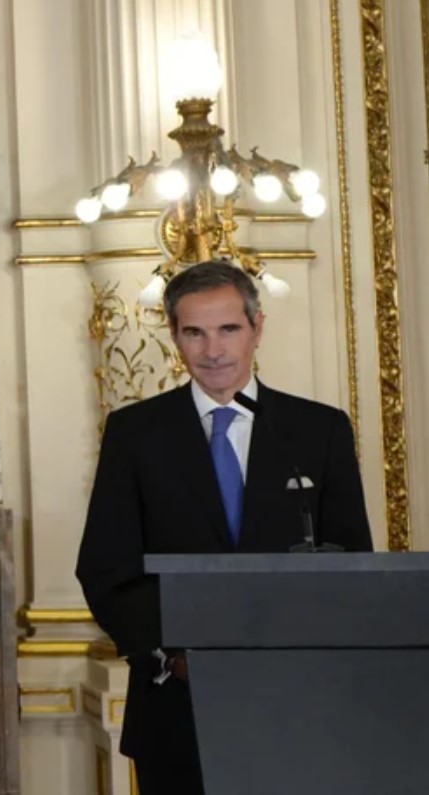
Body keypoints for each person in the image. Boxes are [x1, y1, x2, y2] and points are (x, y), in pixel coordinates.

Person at [75, 260, 371, 794]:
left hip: (298, 704)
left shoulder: (318, 430)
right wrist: (175, 657)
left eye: (229, 329)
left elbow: (351, 562)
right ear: (174, 336)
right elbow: (106, 567)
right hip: (175, 708)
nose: (213, 350)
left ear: (257, 328)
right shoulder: (133, 433)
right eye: (195, 332)